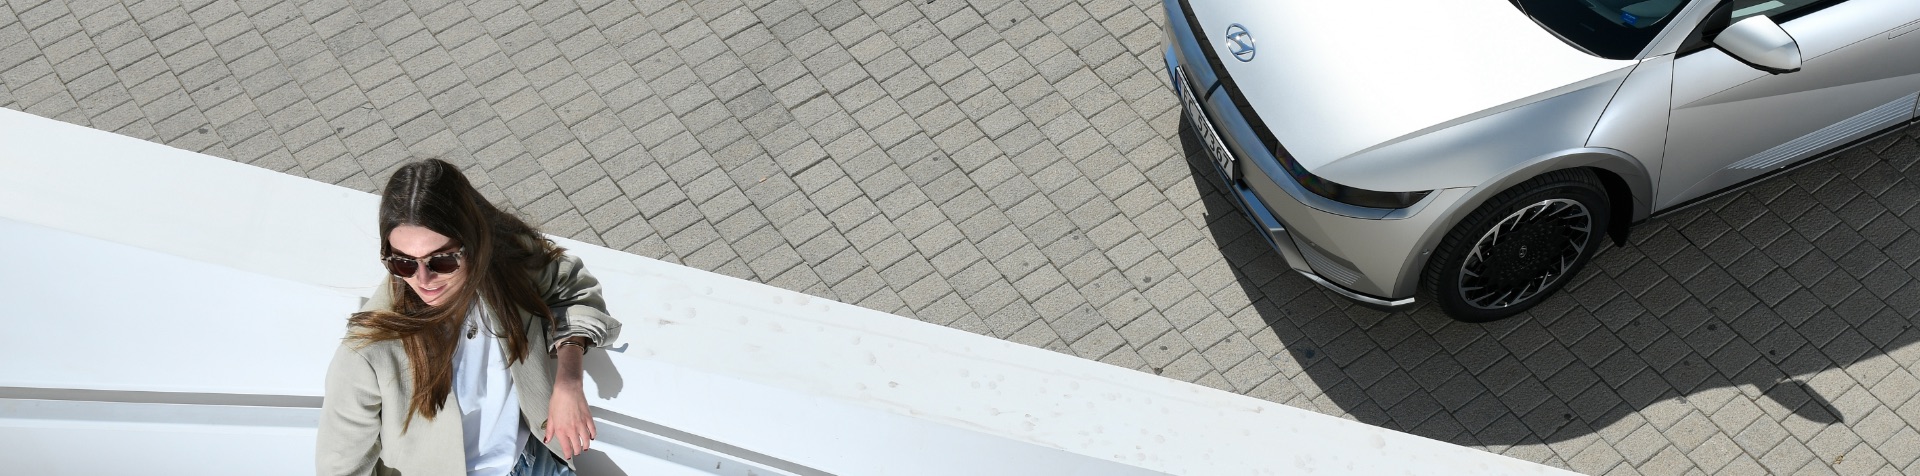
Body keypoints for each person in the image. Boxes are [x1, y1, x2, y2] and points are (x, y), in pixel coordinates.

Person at [317, 159, 621, 475]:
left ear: (472, 242)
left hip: (533, 461)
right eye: (403, 264)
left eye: (443, 261)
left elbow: (572, 286)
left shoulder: (506, 265)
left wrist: (568, 379)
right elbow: (340, 469)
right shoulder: (368, 351)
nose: (423, 279)